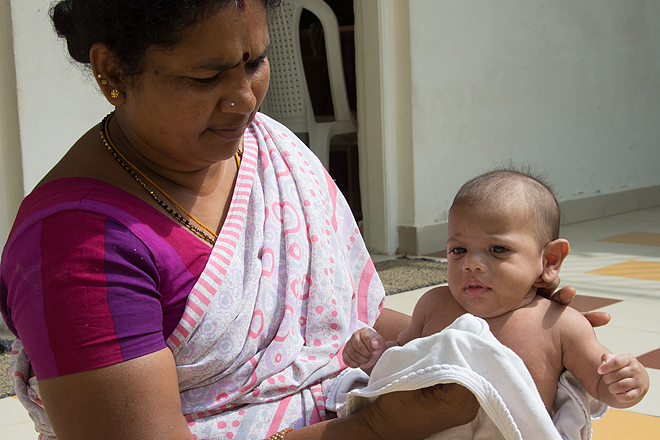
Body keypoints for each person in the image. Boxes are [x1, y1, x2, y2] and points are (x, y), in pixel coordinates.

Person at [0, 1, 607, 438]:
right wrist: (377, 427)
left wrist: (502, 320)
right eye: (206, 76)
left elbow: (336, 322)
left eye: (255, 61)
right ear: (111, 72)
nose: (244, 98)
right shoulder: (75, 247)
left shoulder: (270, 148)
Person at [343, 168, 649, 413]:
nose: (471, 264)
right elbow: (401, 359)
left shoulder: (560, 325)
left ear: (550, 260)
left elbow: (601, 384)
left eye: (497, 249)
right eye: (458, 249)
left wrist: (628, 381)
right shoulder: (434, 304)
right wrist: (375, 354)